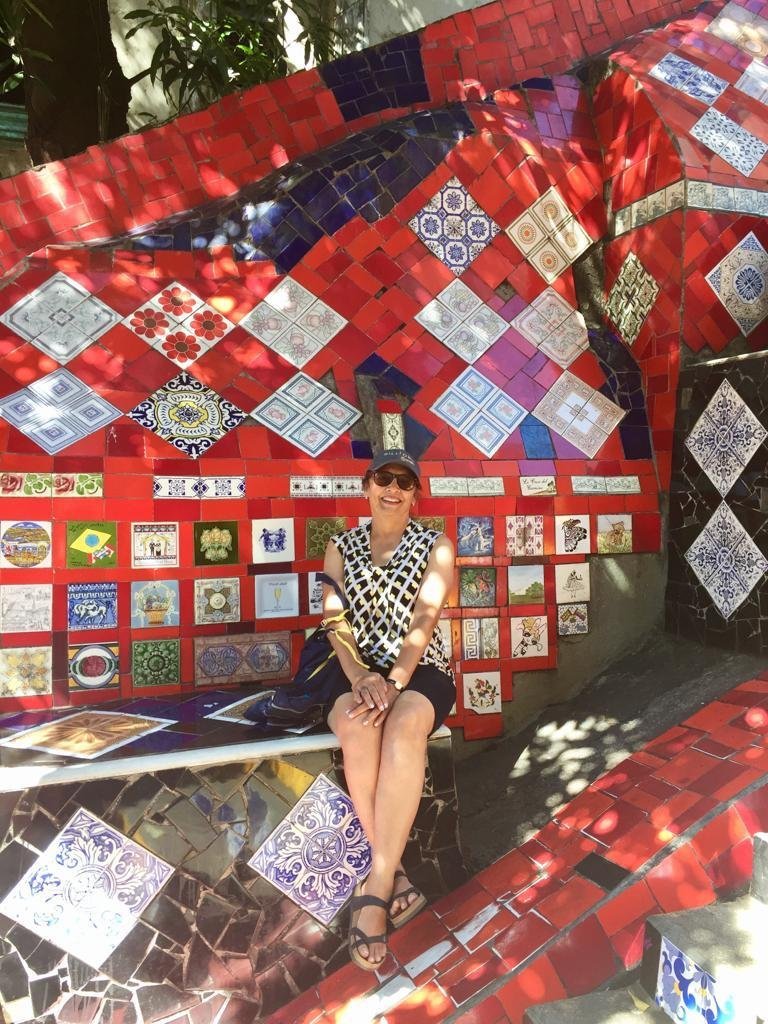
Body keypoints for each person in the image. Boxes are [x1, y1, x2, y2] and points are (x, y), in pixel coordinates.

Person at [321, 449, 456, 971]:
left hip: (419, 670)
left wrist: (395, 682)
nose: (393, 489)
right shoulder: (340, 546)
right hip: (354, 669)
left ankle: (375, 886)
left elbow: (426, 616)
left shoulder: (436, 545)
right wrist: (361, 677)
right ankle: (394, 872)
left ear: (415, 493)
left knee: (402, 729)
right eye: (384, 478)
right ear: (367, 485)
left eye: (405, 481)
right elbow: (334, 619)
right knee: (359, 725)